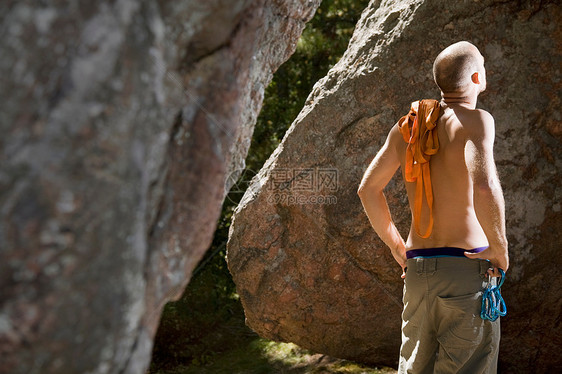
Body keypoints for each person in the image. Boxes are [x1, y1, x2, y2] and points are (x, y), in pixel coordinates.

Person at [357, 41, 509, 373]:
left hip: (418, 269)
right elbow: (484, 186)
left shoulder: (407, 129)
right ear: (476, 77)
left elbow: (368, 189)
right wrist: (500, 247)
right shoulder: (476, 121)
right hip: (466, 269)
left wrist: (398, 248)